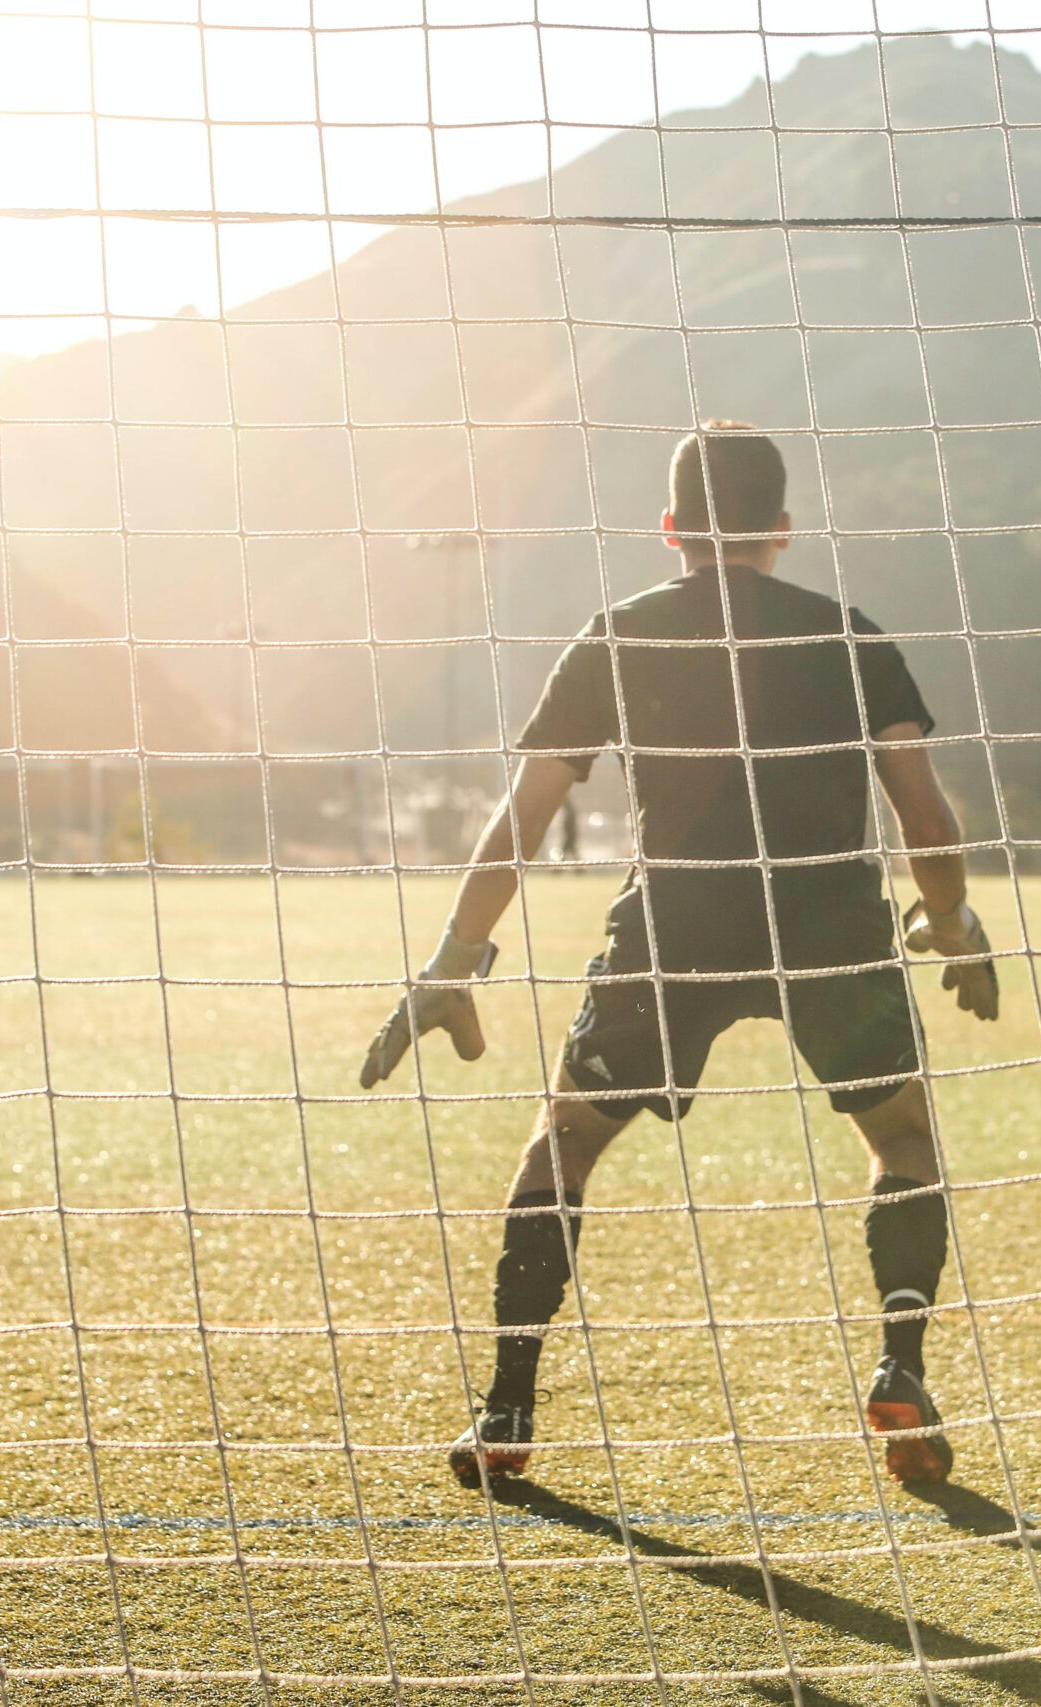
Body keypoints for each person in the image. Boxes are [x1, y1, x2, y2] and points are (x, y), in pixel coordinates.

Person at [359, 424, 999, 1489]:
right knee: (900, 1137)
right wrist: (955, 924)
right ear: (781, 531)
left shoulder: (618, 636)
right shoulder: (848, 637)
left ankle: (507, 1412)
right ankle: (900, 1365)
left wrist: (453, 961)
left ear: (669, 530)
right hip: (827, 921)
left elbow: (519, 818)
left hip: (674, 926)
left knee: (562, 1147)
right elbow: (924, 817)